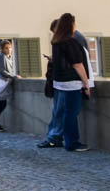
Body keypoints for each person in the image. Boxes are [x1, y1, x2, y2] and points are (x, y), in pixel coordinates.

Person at [39, 17, 94, 147]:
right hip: (72, 82)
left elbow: (73, 60)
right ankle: (71, 142)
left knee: (62, 111)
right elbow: (78, 63)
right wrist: (87, 83)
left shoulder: (59, 42)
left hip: (61, 82)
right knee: (70, 113)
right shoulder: (71, 40)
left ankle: (56, 138)